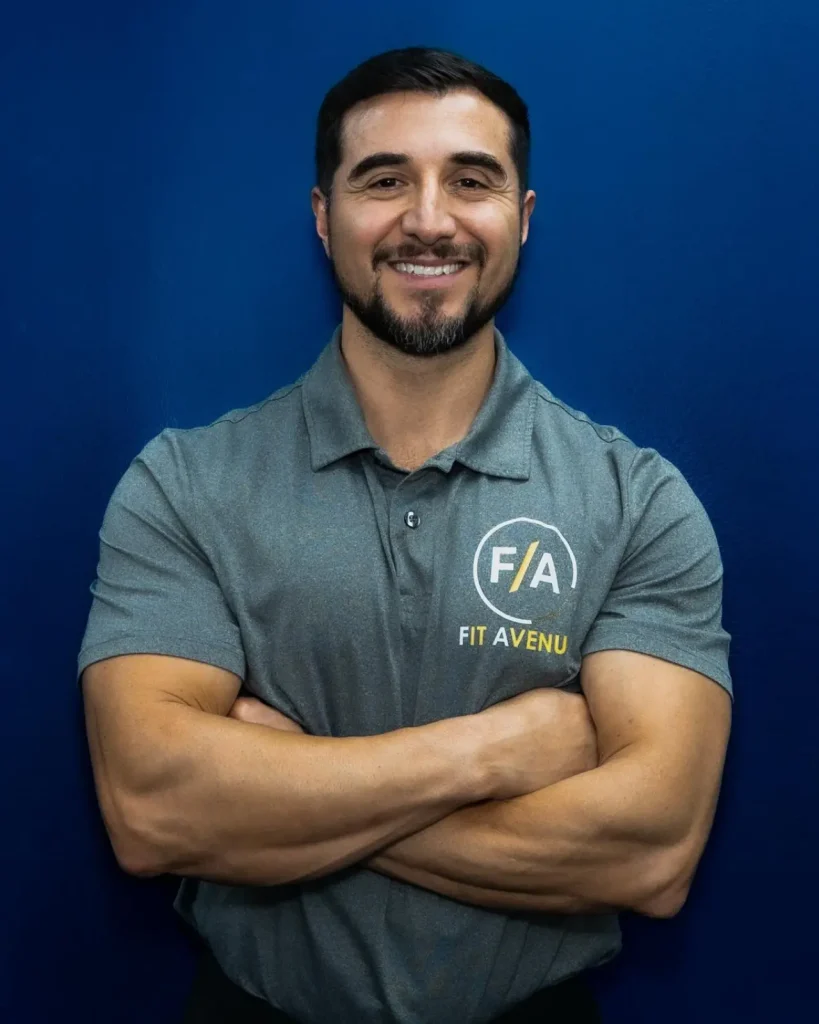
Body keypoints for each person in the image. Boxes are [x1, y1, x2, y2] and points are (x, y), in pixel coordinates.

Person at [79, 47, 733, 1024]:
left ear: (522, 215)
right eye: (384, 180)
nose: (428, 219)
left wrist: (281, 791)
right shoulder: (184, 486)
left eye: (471, 180)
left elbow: (652, 851)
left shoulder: (637, 502)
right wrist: (493, 752)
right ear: (322, 215)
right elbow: (152, 811)